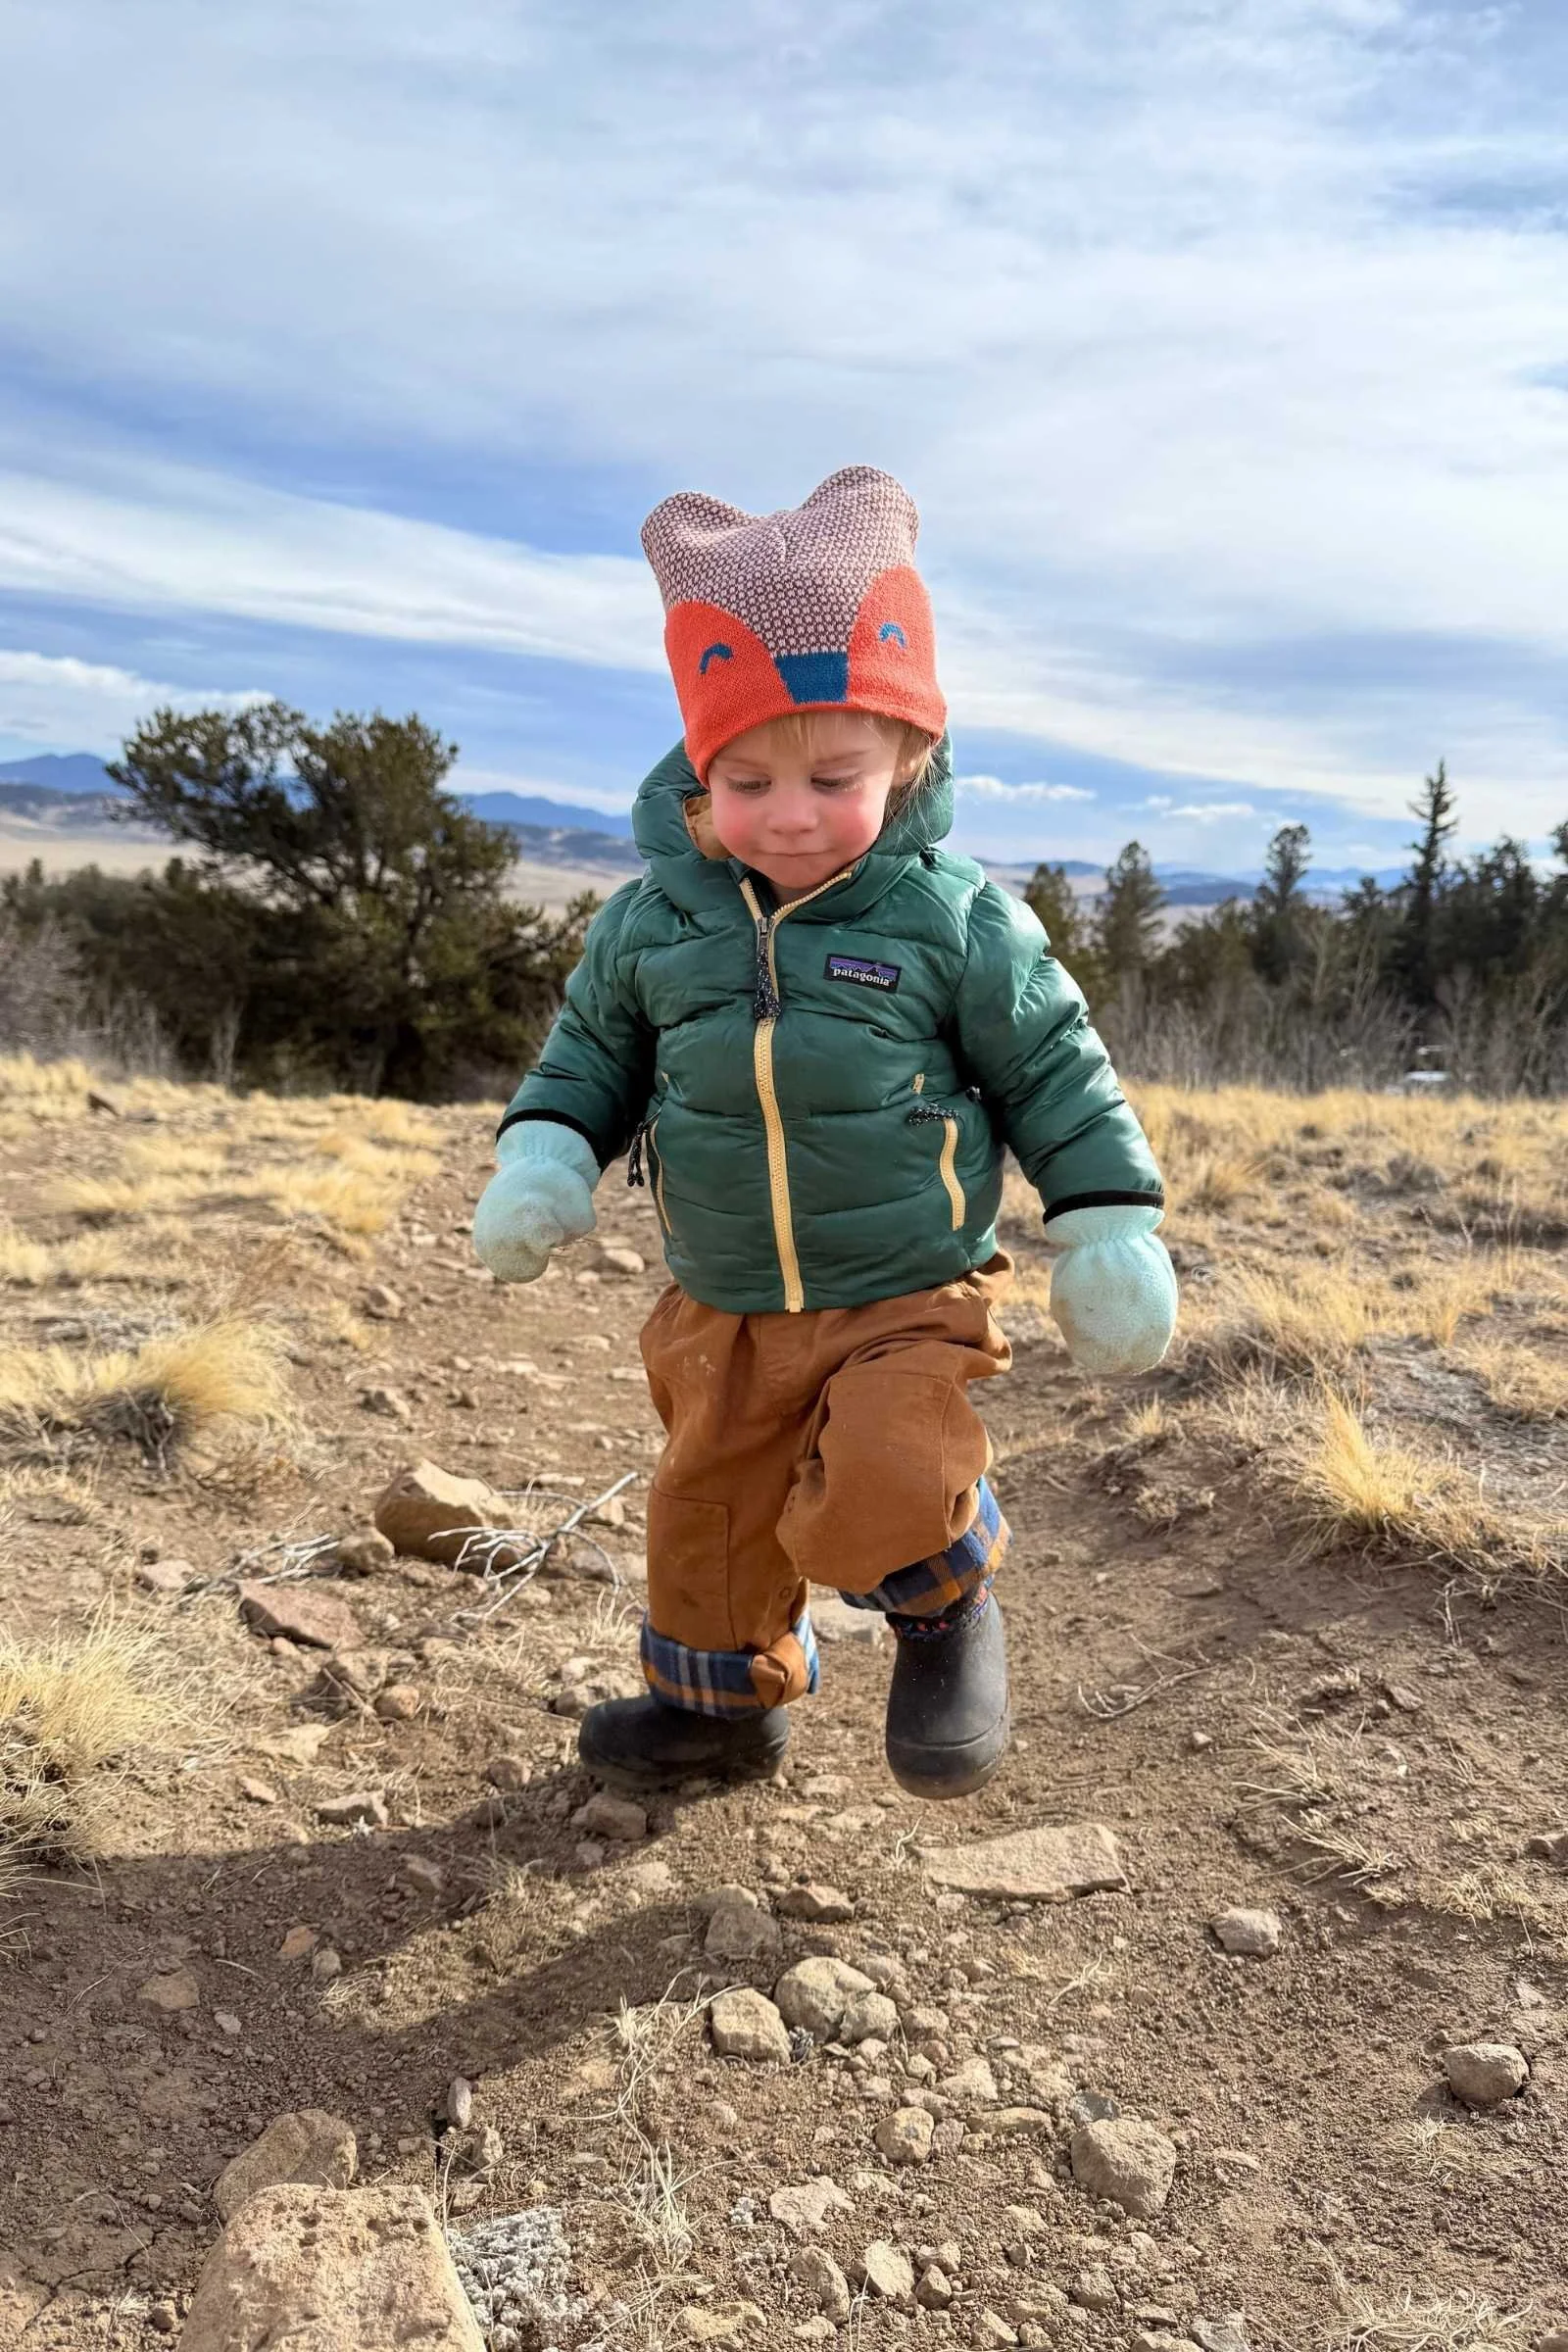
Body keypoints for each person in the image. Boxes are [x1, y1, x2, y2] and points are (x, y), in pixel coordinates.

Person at [473, 466, 1176, 1799]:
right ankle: (719, 1713)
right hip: (726, 1294)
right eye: (747, 779)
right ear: (698, 770)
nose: (789, 812)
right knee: (711, 1518)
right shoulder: (651, 924)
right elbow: (590, 1057)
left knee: (888, 1467)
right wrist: (547, 1155)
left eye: (833, 776)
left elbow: (1054, 1068)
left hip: (907, 1284)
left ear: (908, 761)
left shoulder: (953, 917)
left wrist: (1106, 1226)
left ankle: (947, 1603)